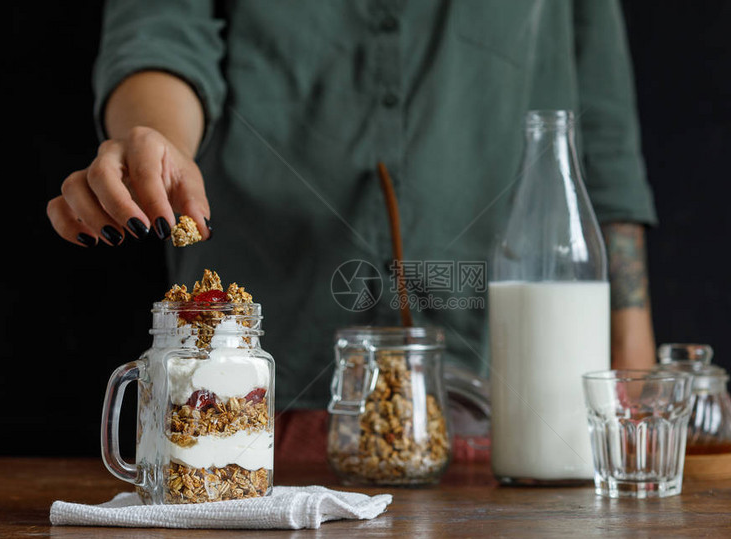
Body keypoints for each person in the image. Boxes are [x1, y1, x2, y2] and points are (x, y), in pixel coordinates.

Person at [46, 0, 657, 459]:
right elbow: (160, 33)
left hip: (508, 401)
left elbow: (600, 137)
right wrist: (156, 147)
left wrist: (633, 371)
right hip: (258, 394)